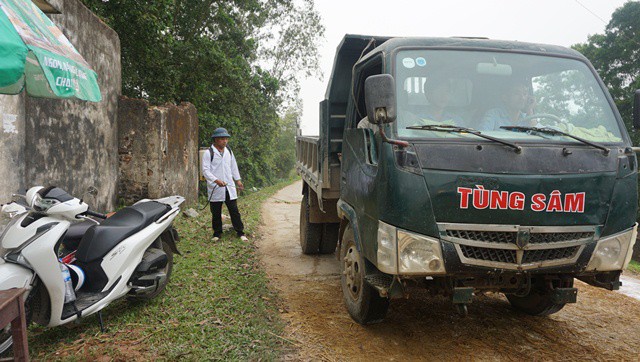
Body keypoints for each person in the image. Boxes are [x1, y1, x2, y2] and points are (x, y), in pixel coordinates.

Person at [202, 127, 247, 242]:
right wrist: (216, 180)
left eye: (226, 139)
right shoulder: (209, 153)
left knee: (234, 210)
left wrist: (238, 180)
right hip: (216, 188)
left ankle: (240, 232)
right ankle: (217, 233)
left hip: (228, 186)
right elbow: (205, 171)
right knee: (216, 212)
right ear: (216, 140)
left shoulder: (228, 151)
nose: (225, 141)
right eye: (222, 139)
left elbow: (233, 166)